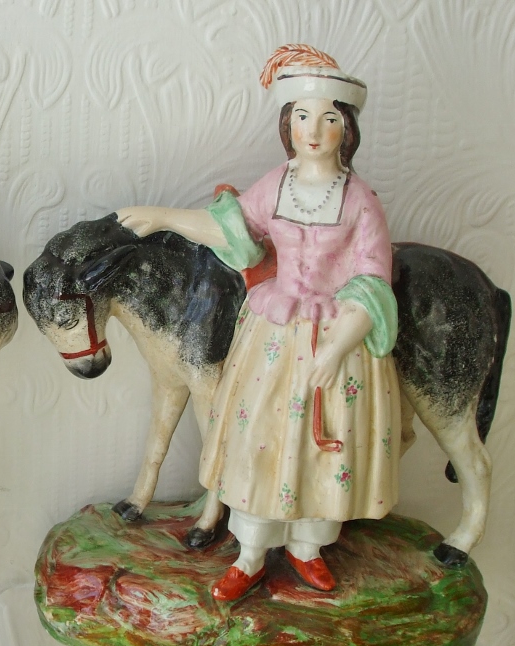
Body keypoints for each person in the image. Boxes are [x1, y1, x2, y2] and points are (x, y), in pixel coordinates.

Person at [119, 45, 400, 601]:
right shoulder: (277, 184)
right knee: (261, 439)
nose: (312, 131)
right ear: (286, 123)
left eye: (327, 118)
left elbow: (373, 279)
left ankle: (307, 548)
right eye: (302, 116)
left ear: (346, 128)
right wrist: (164, 217)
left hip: (337, 340)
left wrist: (336, 348)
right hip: (274, 336)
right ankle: (249, 553)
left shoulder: (361, 200)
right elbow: (233, 230)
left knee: (324, 446)